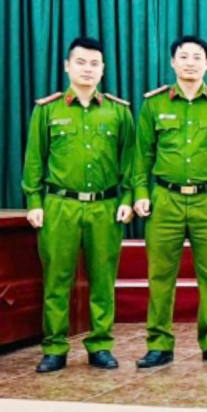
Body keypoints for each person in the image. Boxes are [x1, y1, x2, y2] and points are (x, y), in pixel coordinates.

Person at [22, 37, 135, 372]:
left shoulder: (118, 111)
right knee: (57, 279)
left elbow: (130, 160)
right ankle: (54, 348)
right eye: (81, 62)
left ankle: (100, 344)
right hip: (59, 206)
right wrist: (33, 200)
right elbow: (34, 159)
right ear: (67, 66)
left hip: (105, 207)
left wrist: (127, 198)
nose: (87, 69)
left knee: (103, 279)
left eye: (94, 64)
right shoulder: (48, 110)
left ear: (103, 70)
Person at [132, 35, 207, 368]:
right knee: (160, 275)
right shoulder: (154, 104)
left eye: (197, 57)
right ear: (173, 62)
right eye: (184, 56)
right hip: (165, 199)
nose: (191, 62)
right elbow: (142, 156)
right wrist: (141, 193)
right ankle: (159, 344)